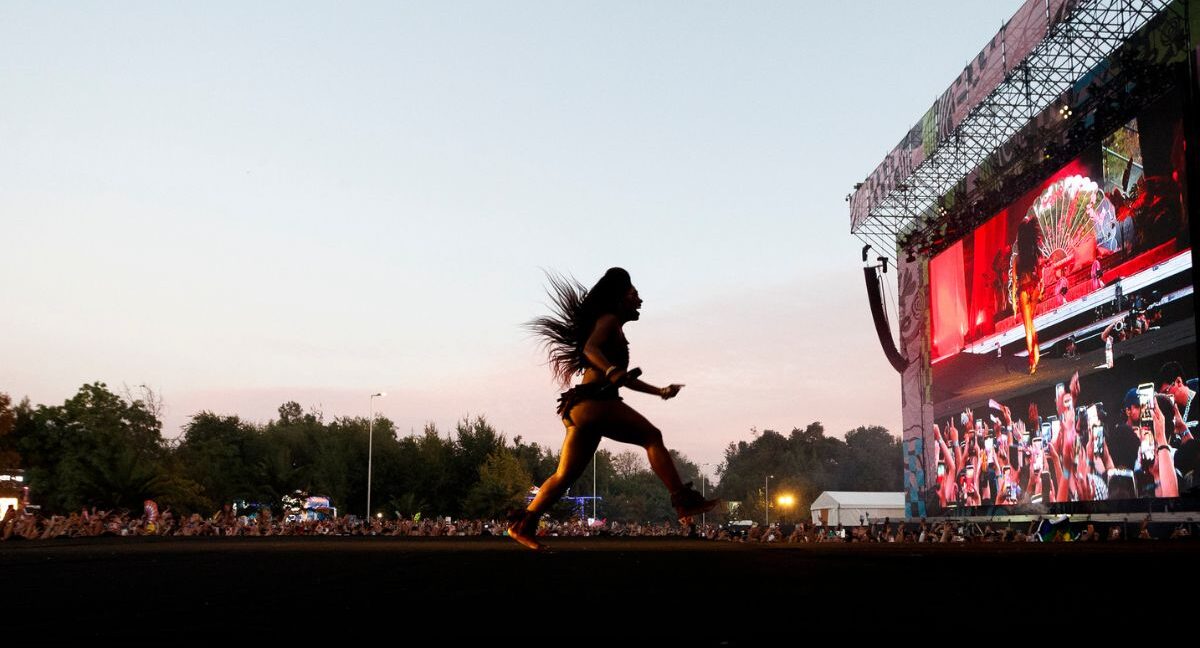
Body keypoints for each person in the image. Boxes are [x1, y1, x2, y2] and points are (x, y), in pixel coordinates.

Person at [511, 268, 719, 550]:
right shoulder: (608, 321)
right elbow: (590, 349)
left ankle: (523, 525)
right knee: (652, 437)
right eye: (634, 294)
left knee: (564, 476)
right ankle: (683, 501)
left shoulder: (614, 328)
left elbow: (623, 379)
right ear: (619, 298)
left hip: (583, 409)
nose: (640, 300)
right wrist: (611, 370)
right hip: (596, 404)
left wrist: (659, 391)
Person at [1010, 212, 1045, 374]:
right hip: (1034, 288)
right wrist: (1041, 290)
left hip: (1024, 290)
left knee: (1027, 327)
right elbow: (1040, 276)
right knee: (1031, 323)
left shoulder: (1017, 259)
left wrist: (1014, 303)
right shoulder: (1034, 255)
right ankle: (1035, 354)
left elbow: (1014, 282)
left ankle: (1032, 359)